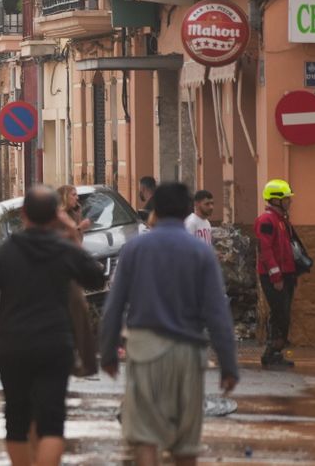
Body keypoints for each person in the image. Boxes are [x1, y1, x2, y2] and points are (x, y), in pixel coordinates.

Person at [100, 183, 239, 466]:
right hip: (189, 353)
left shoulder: (134, 249)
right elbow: (217, 313)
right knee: (186, 441)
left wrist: (109, 352)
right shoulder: (201, 253)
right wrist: (228, 365)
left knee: (145, 435)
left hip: (145, 349)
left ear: (155, 212)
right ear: (188, 210)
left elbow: (114, 306)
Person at [0, 185, 106, 466]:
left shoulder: (4, 254)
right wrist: (70, 231)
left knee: (17, 419)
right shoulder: (65, 250)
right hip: (55, 344)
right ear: (55, 216)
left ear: (23, 214)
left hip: (13, 346)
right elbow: (96, 278)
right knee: (52, 421)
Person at [255, 180, 304, 369]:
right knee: (279, 314)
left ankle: (275, 353)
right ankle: (271, 353)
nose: (289, 202)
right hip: (274, 277)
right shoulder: (266, 221)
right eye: (286, 199)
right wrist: (276, 276)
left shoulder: (281, 220)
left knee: (283, 314)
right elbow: (265, 250)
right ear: (276, 200)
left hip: (286, 275)